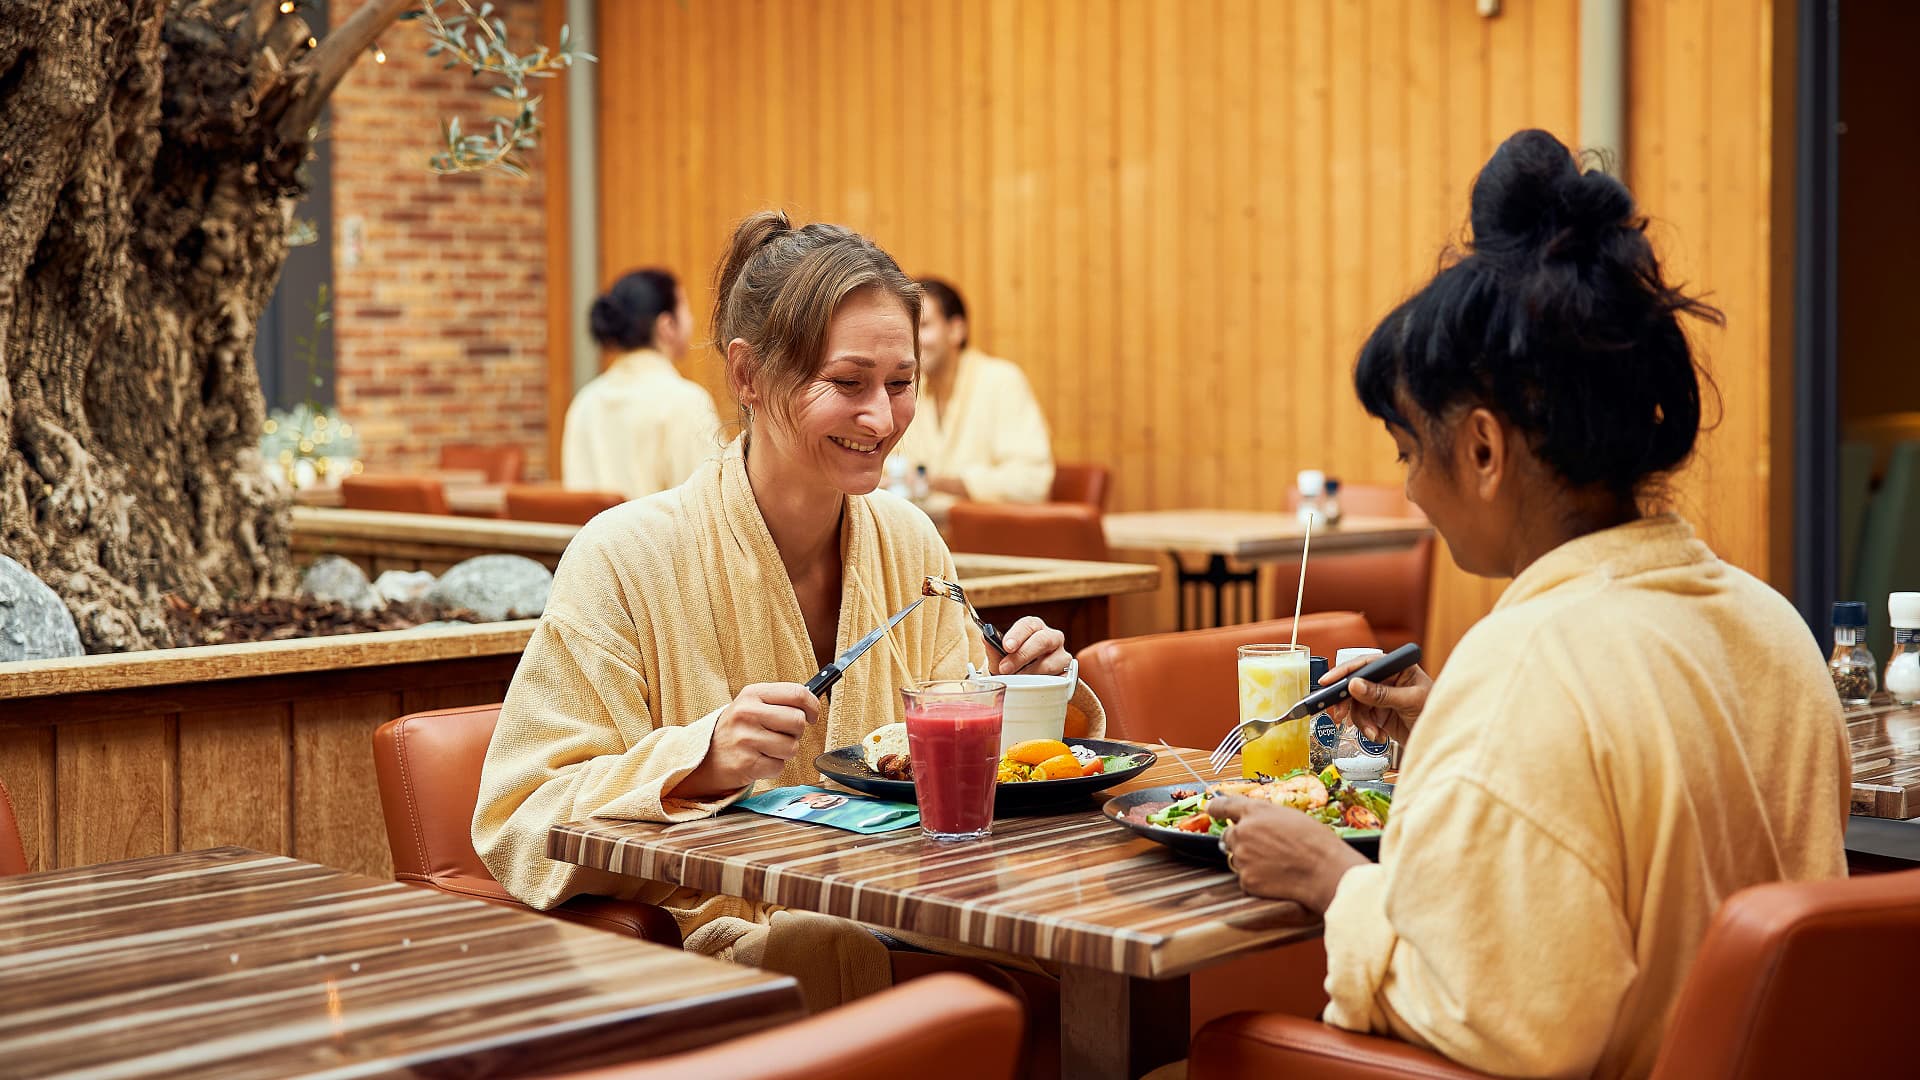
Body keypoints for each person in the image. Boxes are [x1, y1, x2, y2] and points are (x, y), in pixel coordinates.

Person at [1209, 130, 1848, 1078]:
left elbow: (1503, 1027)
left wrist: (1333, 879)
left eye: (1404, 447)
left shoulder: (1529, 668)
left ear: (1479, 449)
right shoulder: (1770, 624)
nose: (1412, 491)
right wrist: (1450, 727)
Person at [474, 211, 1101, 1000]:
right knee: (828, 947)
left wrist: (1027, 698)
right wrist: (693, 763)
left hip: (913, 919)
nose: (881, 418)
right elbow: (519, 817)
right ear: (748, 375)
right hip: (723, 957)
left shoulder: (911, 546)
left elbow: (963, 787)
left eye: (901, 384)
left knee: (1085, 960)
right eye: (847, 383)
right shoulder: (624, 555)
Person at [886, 278, 1053, 509]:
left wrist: (937, 483)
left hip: (987, 539)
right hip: (917, 533)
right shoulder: (904, 387)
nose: (913, 340)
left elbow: (1031, 482)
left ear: (956, 330)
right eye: (908, 328)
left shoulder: (1001, 380)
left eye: (923, 326)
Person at [561, 268, 723, 499]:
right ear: (666, 326)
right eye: (685, 308)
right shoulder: (685, 402)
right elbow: (711, 503)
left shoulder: (584, 402)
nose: (692, 319)